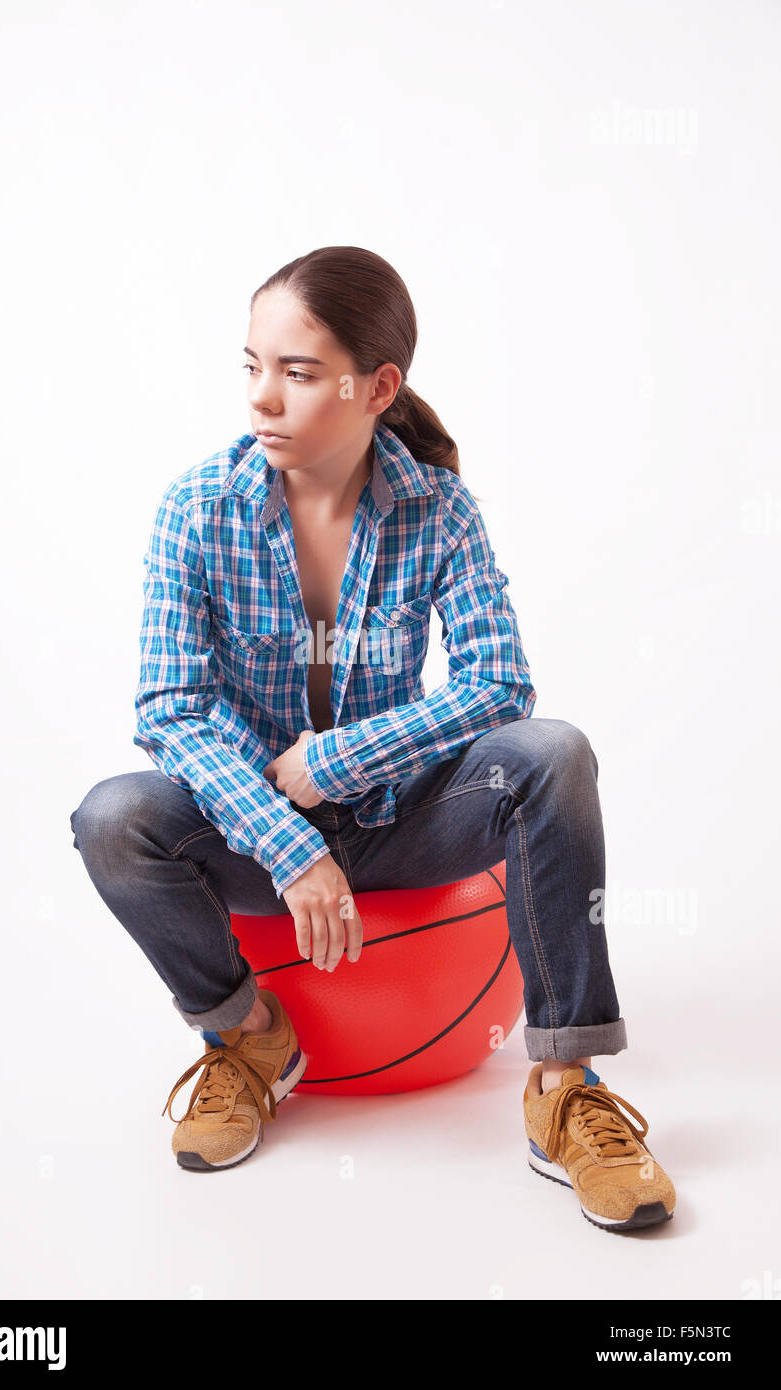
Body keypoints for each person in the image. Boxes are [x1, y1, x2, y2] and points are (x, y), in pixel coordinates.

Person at [69, 245, 675, 1231]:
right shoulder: (196, 507)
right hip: (254, 832)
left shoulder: (439, 510)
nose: (262, 399)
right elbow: (168, 708)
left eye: (298, 373)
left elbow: (497, 682)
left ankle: (565, 1088)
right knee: (113, 817)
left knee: (551, 751)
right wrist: (287, 839)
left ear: (375, 386)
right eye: (252, 365)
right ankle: (250, 1037)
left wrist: (334, 761)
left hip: (404, 819)